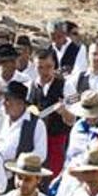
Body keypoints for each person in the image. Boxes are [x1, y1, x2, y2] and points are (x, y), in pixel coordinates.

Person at [28, 48, 74, 179]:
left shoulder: (66, 86)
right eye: (40, 67)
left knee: (53, 179)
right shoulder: (31, 86)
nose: (44, 72)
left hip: (56, 141)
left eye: (49, 67)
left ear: (55, 65)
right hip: (34, 142)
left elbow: (72, 120)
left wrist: (64, 111)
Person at [0, 81, 48, 164]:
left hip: (17, 175)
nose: (3, 103)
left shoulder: (36, 125)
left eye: (7, 100)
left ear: (20, 103)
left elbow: (40, 155)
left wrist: (17, 162)